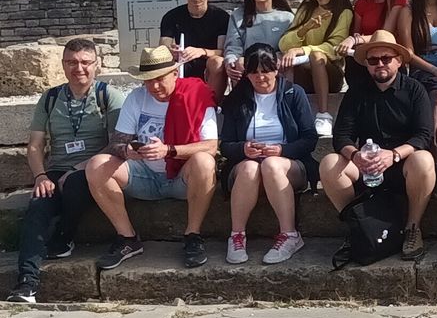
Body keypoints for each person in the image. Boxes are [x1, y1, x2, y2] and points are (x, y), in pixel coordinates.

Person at [8, 39, 125, 303]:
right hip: (55, 170)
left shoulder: (109, 96)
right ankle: (27, 284)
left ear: (97, 65)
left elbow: (116, 143)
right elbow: (36, 145)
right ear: (63, 65)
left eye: (85, 62)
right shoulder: (50, 98)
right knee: (38, 205)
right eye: (72, 62)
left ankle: (63, 236)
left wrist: (77, 168)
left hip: (93, 169)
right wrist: (39, 176)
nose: (79, 68)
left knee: (74, 183)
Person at [86, 45, 220, 270]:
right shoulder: (137, 98)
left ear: (175, 74)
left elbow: (211, 146)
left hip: (182, 176)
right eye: (148, 80)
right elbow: (117, 142)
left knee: (205, 162)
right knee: (96, 165)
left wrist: (169, 150)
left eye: (160, 79)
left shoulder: (197, 95)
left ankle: (193, 235)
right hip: (144, 173)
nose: (154, 86)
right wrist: (128, 151)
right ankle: (127, 238)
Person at [320, 30, 437, 261]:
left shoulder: (414, 89)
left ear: (399, 60)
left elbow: (424, 135)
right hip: (367, 164)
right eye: (373, 60)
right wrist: (355, 156)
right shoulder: (356, 92)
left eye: (386, 59)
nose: (380, 64)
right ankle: (357, 225)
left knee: (423, 160)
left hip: (402, 164)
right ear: (367, 64)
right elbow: (341, 135)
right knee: (329, 163)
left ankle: (413, 228)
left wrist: (393, 155)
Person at [217, 43, 317, 266]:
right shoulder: (237, 98)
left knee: (271, 164)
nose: (260, 77)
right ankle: (237, 235)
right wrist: (243, 148)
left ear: (276, 69)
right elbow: (225, 145)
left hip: (288, 167)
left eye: (266, 71)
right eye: (254, 72)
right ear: (247, 74)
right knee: (251, 166)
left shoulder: (293, 93)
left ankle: (290, 235)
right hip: (247, 170)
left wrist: (283, 150)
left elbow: (310, 138)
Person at [278, 0, 354, 136]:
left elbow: (335, 48)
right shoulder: (306, 10)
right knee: (285, 58)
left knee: (316, 55)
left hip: (330, 74)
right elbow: (284, 44)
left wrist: (301, 49)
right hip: (304, 72)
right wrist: (305, 28)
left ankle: (323, 115)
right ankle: (287, 114)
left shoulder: (344, 13)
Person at [338, 0, 409, 90]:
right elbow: (357, 32)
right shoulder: (362, 3)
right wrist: (353, 41)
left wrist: (354, 39)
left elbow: (385, 35)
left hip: (388, 58)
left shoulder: (398, 0)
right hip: (366, 58)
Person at [158, 0, 229, 95]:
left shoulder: (221, 17)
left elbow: (223, 52)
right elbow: (163, 48)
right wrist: (171, 51)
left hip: (209, 67)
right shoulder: (171, 17)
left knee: (217, 62)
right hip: (181, 65)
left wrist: (201, 52)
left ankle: (211, 104)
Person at [222, 0, 293, 87]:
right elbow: (233, 45)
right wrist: (230, 61)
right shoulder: (238, 16)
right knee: (238, 62)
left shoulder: (287, 18)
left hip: (275, 66)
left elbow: (288, 46)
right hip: (247, 66)